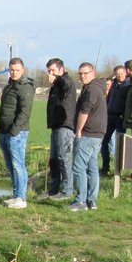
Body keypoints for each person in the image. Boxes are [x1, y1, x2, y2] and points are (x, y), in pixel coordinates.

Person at [68, 62, 107, 211]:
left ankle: (81, 201)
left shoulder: (91, 89)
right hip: (97, 134)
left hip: (88, 133)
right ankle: (92, 201)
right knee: (92, 167)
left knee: (78, 167)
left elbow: (85, 112)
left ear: (93, 73)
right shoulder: (97, 87)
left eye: (86, 73)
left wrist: (78, 131)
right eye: (80, 74)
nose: (83, 76)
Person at [0, 57, 34, 208]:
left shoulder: (25, 87)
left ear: (23, 70)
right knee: (11, 165)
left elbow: (25, 112)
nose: (14, 72)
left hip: (17, 132)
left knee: (18, 165)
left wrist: (14, 131)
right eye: (11, 70)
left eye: (17, 70)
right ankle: (16, 194)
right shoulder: (9, 87)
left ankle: (21, 198)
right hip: (4, 131)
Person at [44, 58, 77, 199]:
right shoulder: (56, 85)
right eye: (49, 71)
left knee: (64, 159)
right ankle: (53, 190)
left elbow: (63, 83)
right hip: (56, 126)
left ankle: (67, 191)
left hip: (65, 126)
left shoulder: (66, 81)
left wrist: (56, 80)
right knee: (54, 160)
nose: (50, 74)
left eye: (53, 70)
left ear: (61, 70)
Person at [102, 64, 131, 176]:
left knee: (120, 144)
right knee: (104, 142)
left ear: (125, 73)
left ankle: (118, 171)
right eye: (117, 74)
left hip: (120, 117)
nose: (119, 75)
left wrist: (125, 115)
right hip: (110, 117)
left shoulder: (129, 86)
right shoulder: (114, 85)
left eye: (121, 73)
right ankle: (105, 167)